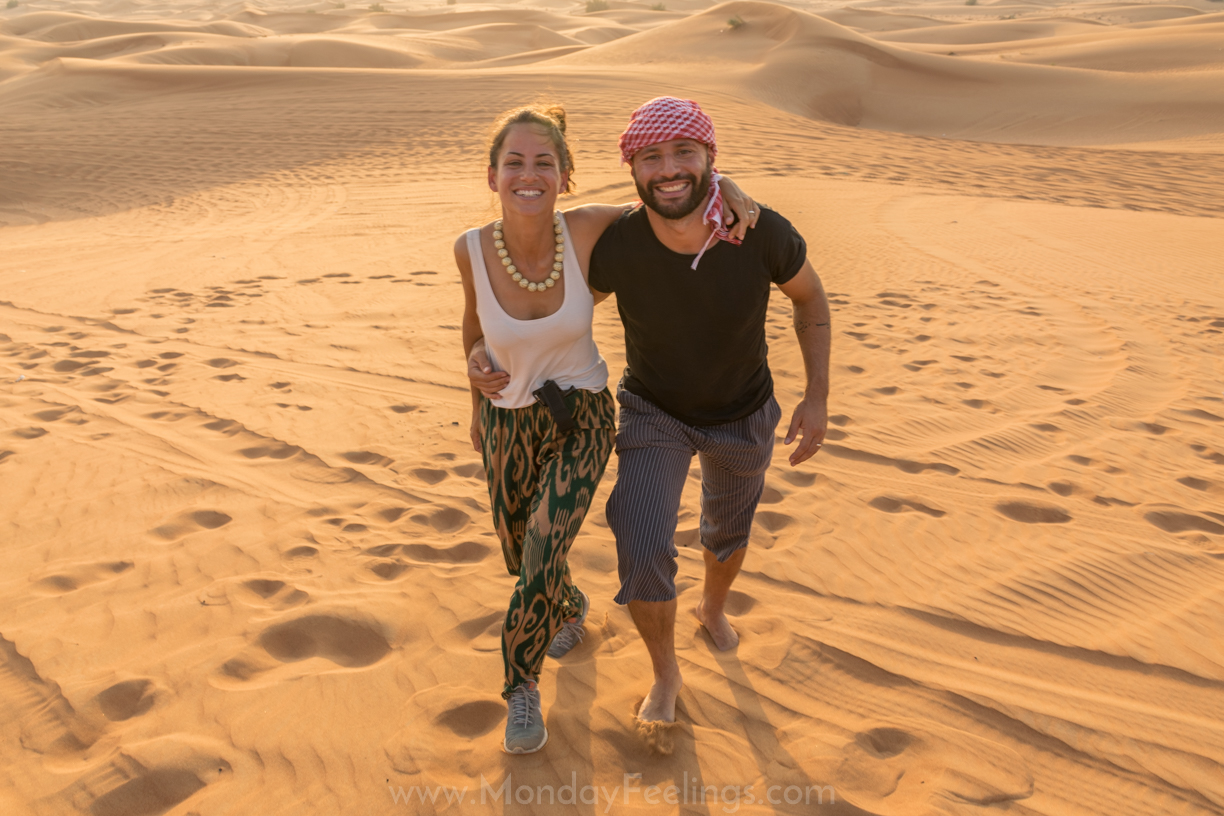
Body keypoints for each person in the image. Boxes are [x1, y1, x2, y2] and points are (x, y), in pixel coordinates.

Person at [455, 102, 758, 755]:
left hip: (582, 416)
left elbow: (675, 196)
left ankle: (520, 686)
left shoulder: (591, 229)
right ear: (492, 174)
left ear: (565, 176)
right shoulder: (472, 248)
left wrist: (727, 182)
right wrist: (475, 372)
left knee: (538, 550)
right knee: (523, 554)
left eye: (544, 163)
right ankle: (565, 606)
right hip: (509, 420)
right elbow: (473, 325)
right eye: (514, 163)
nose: (528, 175)